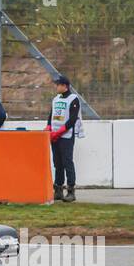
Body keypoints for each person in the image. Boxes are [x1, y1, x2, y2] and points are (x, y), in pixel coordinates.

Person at [46, 74, 83, 202]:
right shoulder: (56, 99)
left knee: (67, 162)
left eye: (58, 85)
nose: (56, 87)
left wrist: (60, 131)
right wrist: (48, 128)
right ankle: (58, 189)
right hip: (54, 136)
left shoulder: (73, 99)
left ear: (65, 86)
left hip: (66, 135)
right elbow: (51, 115)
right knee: (57, 163)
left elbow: (72, 119)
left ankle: (71, 190)